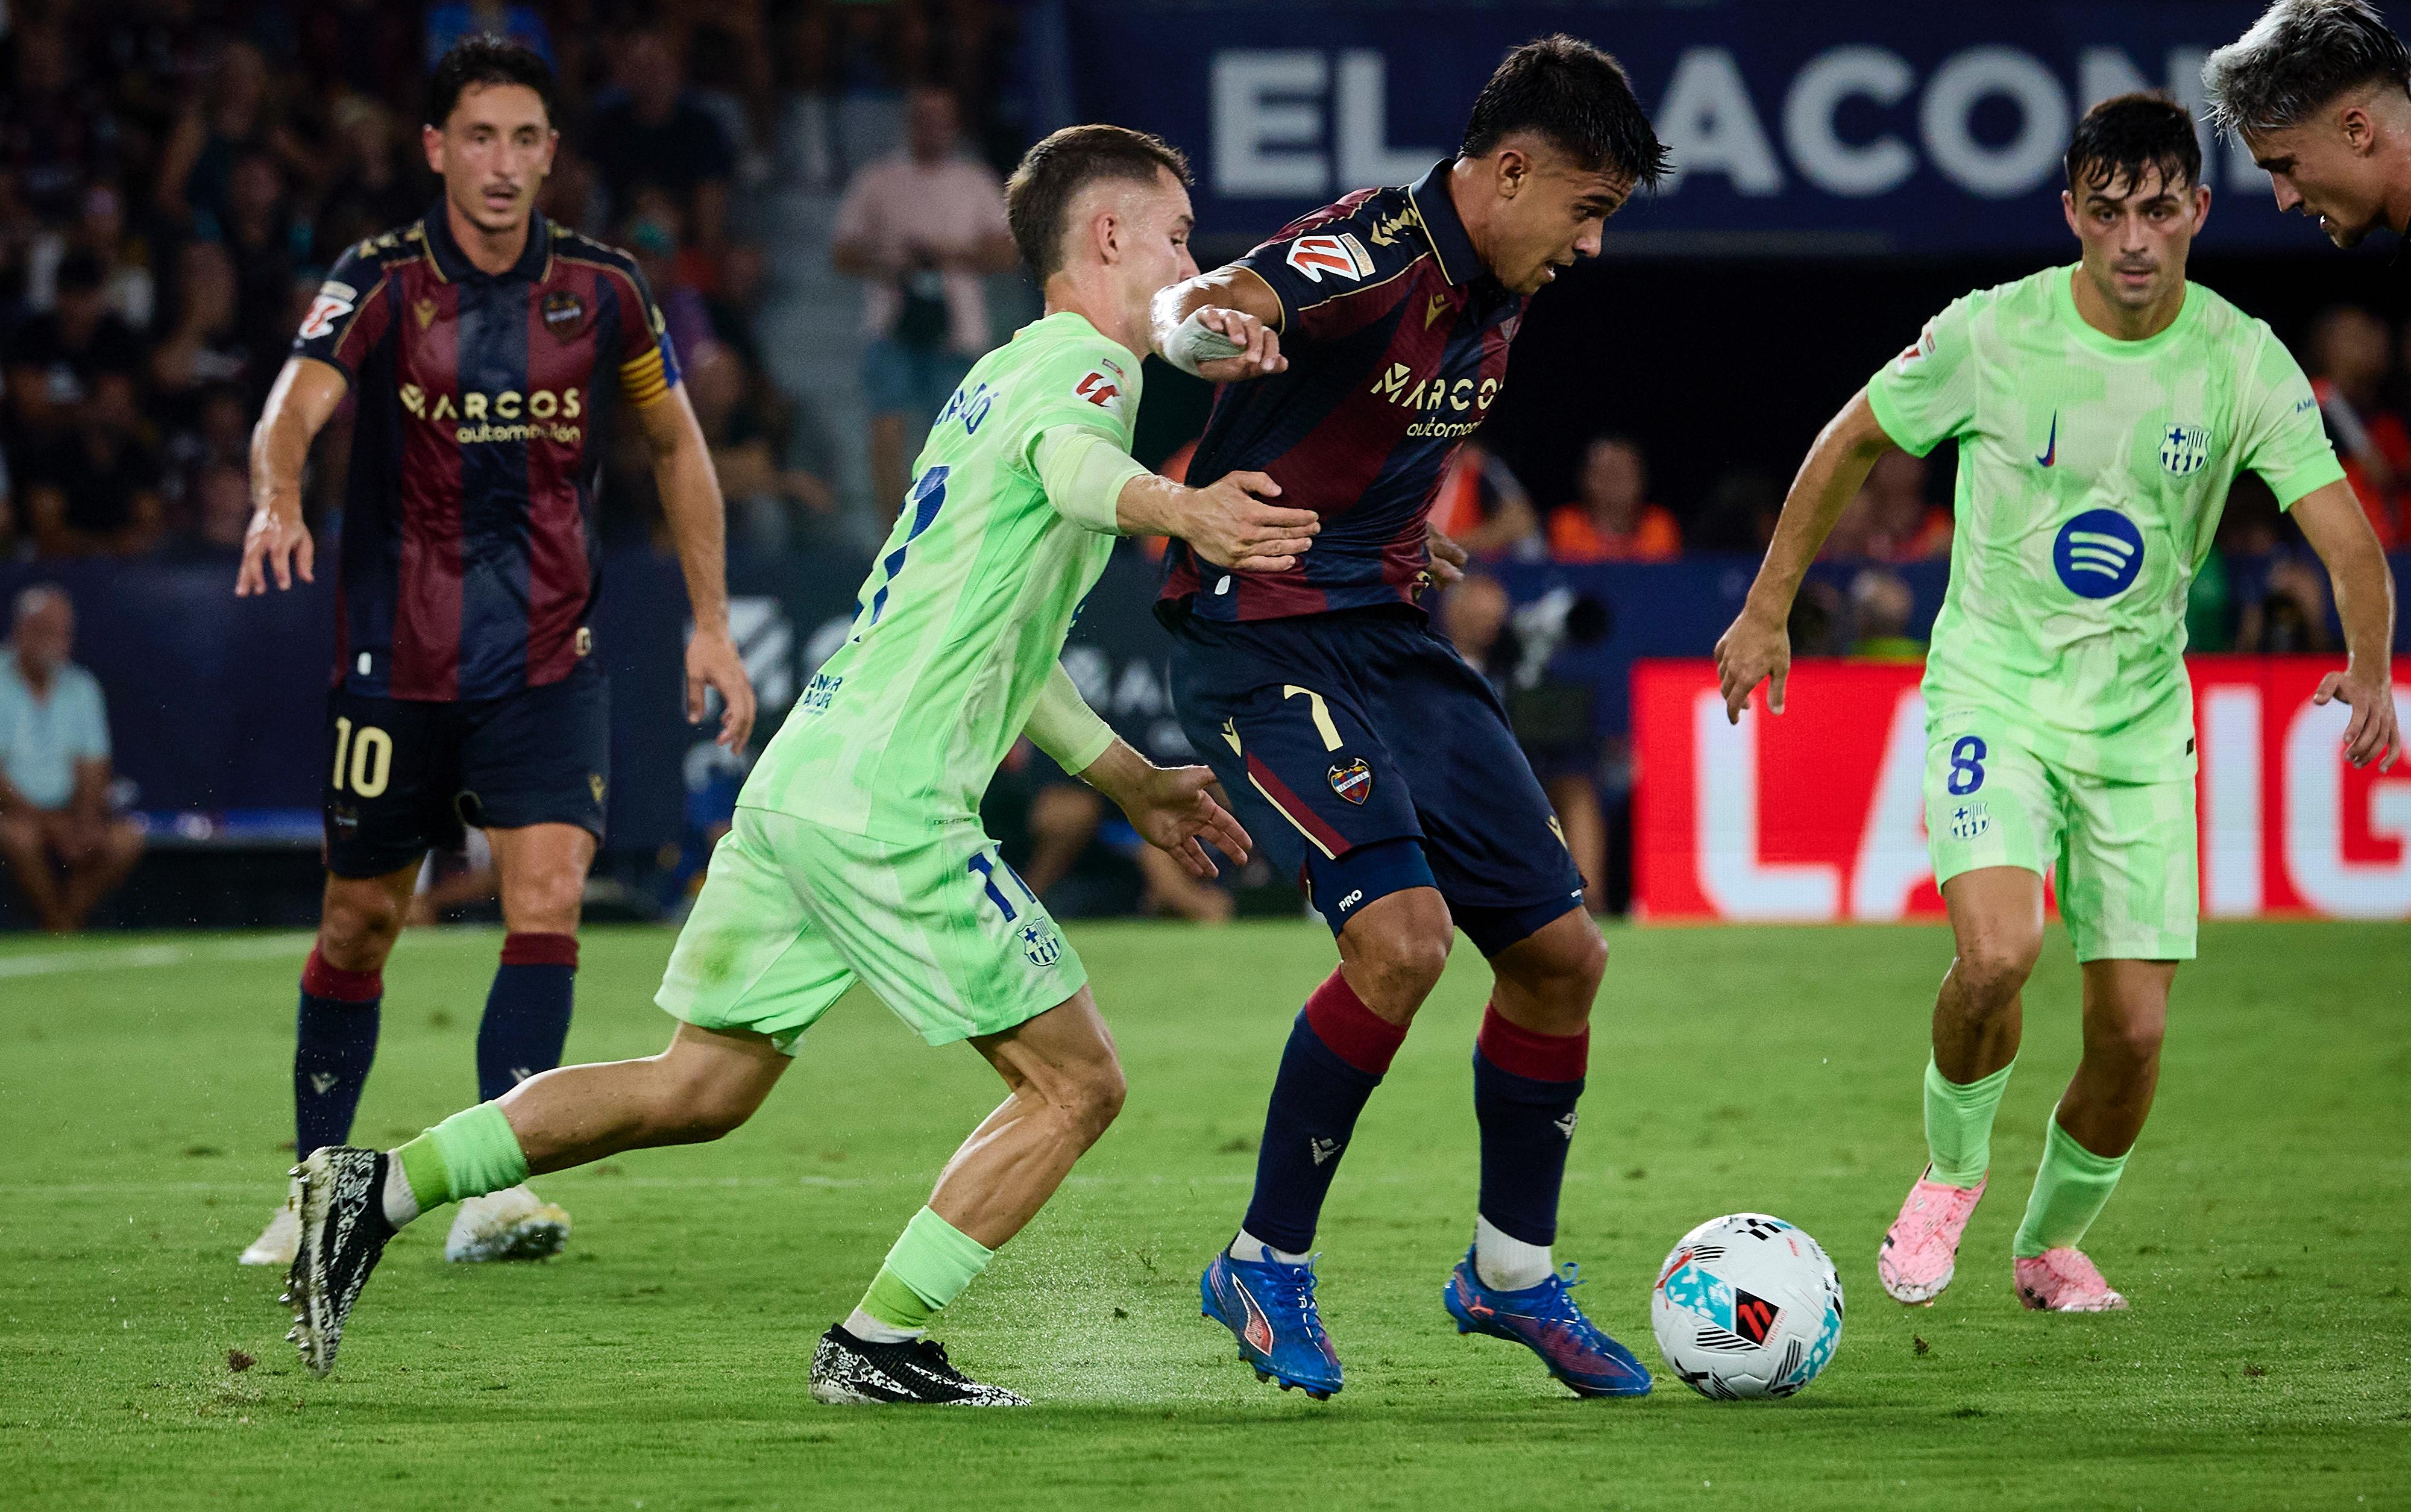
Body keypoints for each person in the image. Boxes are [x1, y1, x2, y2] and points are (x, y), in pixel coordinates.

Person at [279, 124, 1315, 1402]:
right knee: (1076, 1083)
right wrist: (1188, 509)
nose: (1186, 260)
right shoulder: (1090, 375)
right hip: (888, 803)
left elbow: (1002, 637)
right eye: (1173, 235)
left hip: (808, 774)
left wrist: (1125, 777)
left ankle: (376, 1187)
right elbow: (1083, 472)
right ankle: (873, 1346)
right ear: (1107, 238)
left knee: (699, 1084)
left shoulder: (993, 376)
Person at [1715, 96, 2400, 1316]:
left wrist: (2366, 658)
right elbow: (1848, 441)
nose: (2132, 241)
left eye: (2155, 212)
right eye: (2105, 212)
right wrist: (1768, 610)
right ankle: (1949, 1179)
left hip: (2138, 724)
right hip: (1995, 693)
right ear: (2068, 213)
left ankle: (2046, 1246)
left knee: (2131, 1034)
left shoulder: (2238, 357)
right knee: (1998, 953)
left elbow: (2341, 529)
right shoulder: (1991, 334)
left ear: (2194, 210)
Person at [1148, 35, 1669, 1399]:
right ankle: (1261, 1259)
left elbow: (1371, 425)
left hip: (1381, 627)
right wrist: (1210, 324)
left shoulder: (1505, 276)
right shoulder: (1376, 247)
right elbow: (1216, 303)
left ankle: (1508, 1277)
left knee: (1562, 957)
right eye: (1588, 207)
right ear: (1507, 170)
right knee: (1403, 941)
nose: (1592, 244)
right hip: (1255, 632)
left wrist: (1392, 528)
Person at [230, 38, 758, 1270]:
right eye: (480, 138)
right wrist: (277, 497)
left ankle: (495, 1188)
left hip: (546, 661)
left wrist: (711, 621)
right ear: (435, 149)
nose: (504, 164)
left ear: (551, 155)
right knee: (361, 923)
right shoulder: (377, 279)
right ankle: (317, 1181)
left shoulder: (605, 289)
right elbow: (294, 405)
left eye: (526, 140)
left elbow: (677, 449)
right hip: (395, 666)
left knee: (547, 896)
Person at [832, 86, 1019, 513]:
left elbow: (1006, 253)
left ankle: (949, 531)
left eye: (941, 120)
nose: (932, 129)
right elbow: (842, 252)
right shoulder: (879, 179)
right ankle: (889, 535)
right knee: (888, 434)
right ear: (909, 123)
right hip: (892, 323)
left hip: (957, 331)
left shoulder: (974, 182)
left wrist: (945, 255)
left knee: (960, 441)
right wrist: (893, 261)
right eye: (923, 119)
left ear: (954, 126)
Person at [0, 585, 143, 930]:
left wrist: (85, 822)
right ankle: (60, 922)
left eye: (64, 632)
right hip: (13, 814)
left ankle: (63, 922)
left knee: (128, 838)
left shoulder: (82, 686)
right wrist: (48, 823)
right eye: (47, 631)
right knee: (18, 837)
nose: (59, 641)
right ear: (21, 631)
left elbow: (93, 767)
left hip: (68, 814)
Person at [2304, 305, 2406, 547]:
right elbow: (2378, 471)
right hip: (2341, 548)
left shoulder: (2382, 415)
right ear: (2328, 348)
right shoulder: (2319, 397)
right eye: (2357, 336)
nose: (2375, 342)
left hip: (2390, 548)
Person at [1545, 434, 1680, 562]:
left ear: (1642, 479)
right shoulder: (1566, 524)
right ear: (1585, 479)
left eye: (1625, 473)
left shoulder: (1659, 525)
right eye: (1607, 472)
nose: (1616, 482)